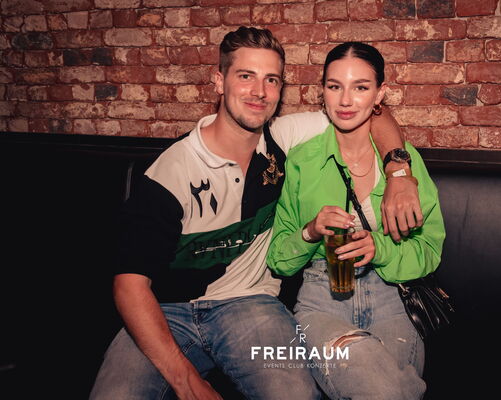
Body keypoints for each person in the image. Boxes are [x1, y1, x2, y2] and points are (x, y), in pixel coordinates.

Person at [90, 27, 422, 400]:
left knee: (294, 395)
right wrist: (186, 380)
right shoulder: (170, 173)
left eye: (271, 80)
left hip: (249, 304)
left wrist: (398, 172)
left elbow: (372, 111)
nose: (259, 91)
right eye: (246, 76)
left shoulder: (281, 139)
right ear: (219, 81)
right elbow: (129, 287)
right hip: (167, 311)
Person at [267, 42, 446, 400]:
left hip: (391, 299)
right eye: (335, 86)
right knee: (385, 386)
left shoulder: (405, 165)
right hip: (321, 300)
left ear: (379, 94)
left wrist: (380, 248)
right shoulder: (302, 160)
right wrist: (310, 231)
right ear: (323, 92)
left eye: (360, 87)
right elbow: (278, 260)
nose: (346, 100)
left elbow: (429, 250)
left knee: (387, 389)